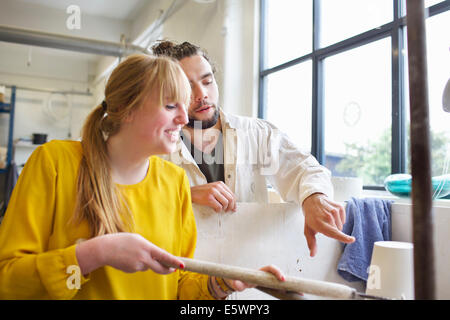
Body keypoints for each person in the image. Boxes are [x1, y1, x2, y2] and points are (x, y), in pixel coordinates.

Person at [0, 54, 285, 300]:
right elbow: (7, 282)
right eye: (171, 106)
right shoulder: (55, 163)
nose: (185, 119)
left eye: (184, 106)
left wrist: (221, 283)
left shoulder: (174, 182)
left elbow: (177, 283)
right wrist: (93, 254)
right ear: (127, 110)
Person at [152, 40, 356, 257]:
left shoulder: (256, 134)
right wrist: (185, 194)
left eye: (208, 81)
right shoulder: (157, 147)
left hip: (247, 267)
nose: (202, 94)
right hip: (185, 269)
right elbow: (133, 203)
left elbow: (303, 169)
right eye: (187, 87)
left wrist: (314, 197)